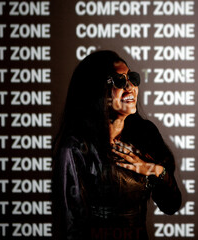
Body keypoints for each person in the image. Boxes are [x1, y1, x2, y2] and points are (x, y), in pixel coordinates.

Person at [51, 50, 182, 240]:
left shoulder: (145, 133)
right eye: (119, 81)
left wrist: (154, 170)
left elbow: (171, 205)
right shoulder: (75, 147)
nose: (130, 87)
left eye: (132, 78)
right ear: (96, 90)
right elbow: (69, 225)